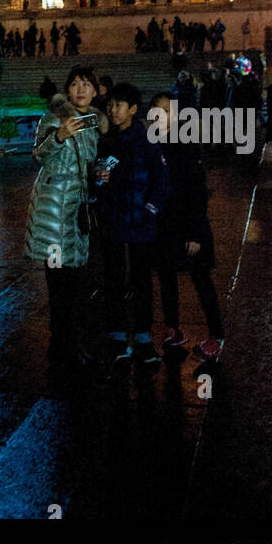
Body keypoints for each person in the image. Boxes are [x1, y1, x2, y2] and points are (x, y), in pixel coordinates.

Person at [24, 69, 107, 386]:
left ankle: (64, 346)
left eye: (87, 83)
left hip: (77, 211)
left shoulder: (93, 123)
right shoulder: (54, 117)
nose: (81, 89)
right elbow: (37, 154)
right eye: (75, 84)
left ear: (95, 91)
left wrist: (100, 174)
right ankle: (62, 347)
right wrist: (59, 136)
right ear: (68, 91)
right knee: (60, 284)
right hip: (53, 213)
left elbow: (89, 162)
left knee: (74, 284)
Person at [96, 82, 169, 367]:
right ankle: (116, 336)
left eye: (119, 105)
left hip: (140, 222)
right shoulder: (108, 140)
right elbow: (101, 177)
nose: (113, 110)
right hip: (113, 220)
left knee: (141, 281)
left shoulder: (148, 139)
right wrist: (99, 181)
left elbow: (161, 181)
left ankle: (142, 338)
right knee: (113, 280)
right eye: (110, 105)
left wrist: (150, 209)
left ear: (134, 109)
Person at [149, 92, 224, 361]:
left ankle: (216, 336)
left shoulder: (186, 143)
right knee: (167, 277)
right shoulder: (152, 144)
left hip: (189, 226)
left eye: (167, 110)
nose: (161, 115)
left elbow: (197, 191)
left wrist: (195, 233)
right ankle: (173, 328)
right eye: (156, 110)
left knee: (201, 279)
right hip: (164, 225)